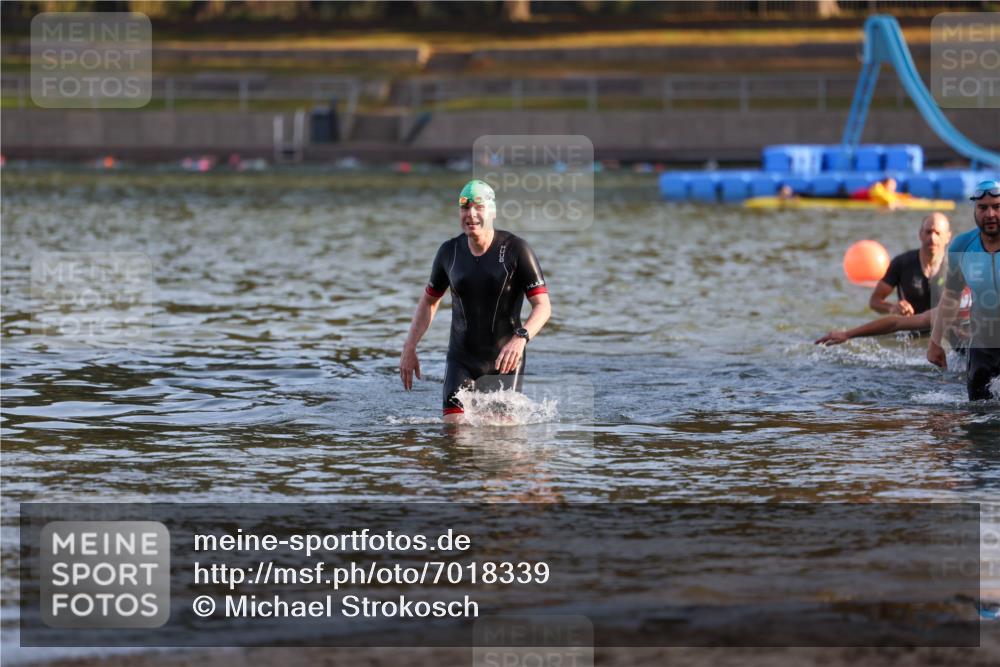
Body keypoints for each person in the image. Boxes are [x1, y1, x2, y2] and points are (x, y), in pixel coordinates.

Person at [399, 179, 552, 423]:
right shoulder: (449, 252)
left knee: (502, 445)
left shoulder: (516, 250)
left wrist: (520, 338)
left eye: (478, 207)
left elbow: (543, 307)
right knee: (453, 439)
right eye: (464, 207)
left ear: (491, 211)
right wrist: (409, 346)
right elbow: (429, 301)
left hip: (505, 359)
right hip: (461, 359)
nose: (471, 214)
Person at [927, 179, 1000, 401]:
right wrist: (935, 342)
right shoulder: (962, 246)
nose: (990, 214)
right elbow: (950, 296)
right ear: (974, 210)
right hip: (982, 342)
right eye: (982, 208)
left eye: (997, 207)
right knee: (977, 413)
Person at [868, 212, 952, 316]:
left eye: (937, 233)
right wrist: (892, 307)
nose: (932, 238)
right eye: (928, 232)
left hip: (942, 330)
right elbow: (874, 301)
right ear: (920, 234)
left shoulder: (957, 268)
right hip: (909, 329)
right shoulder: (902, 263)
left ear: (948, 237)